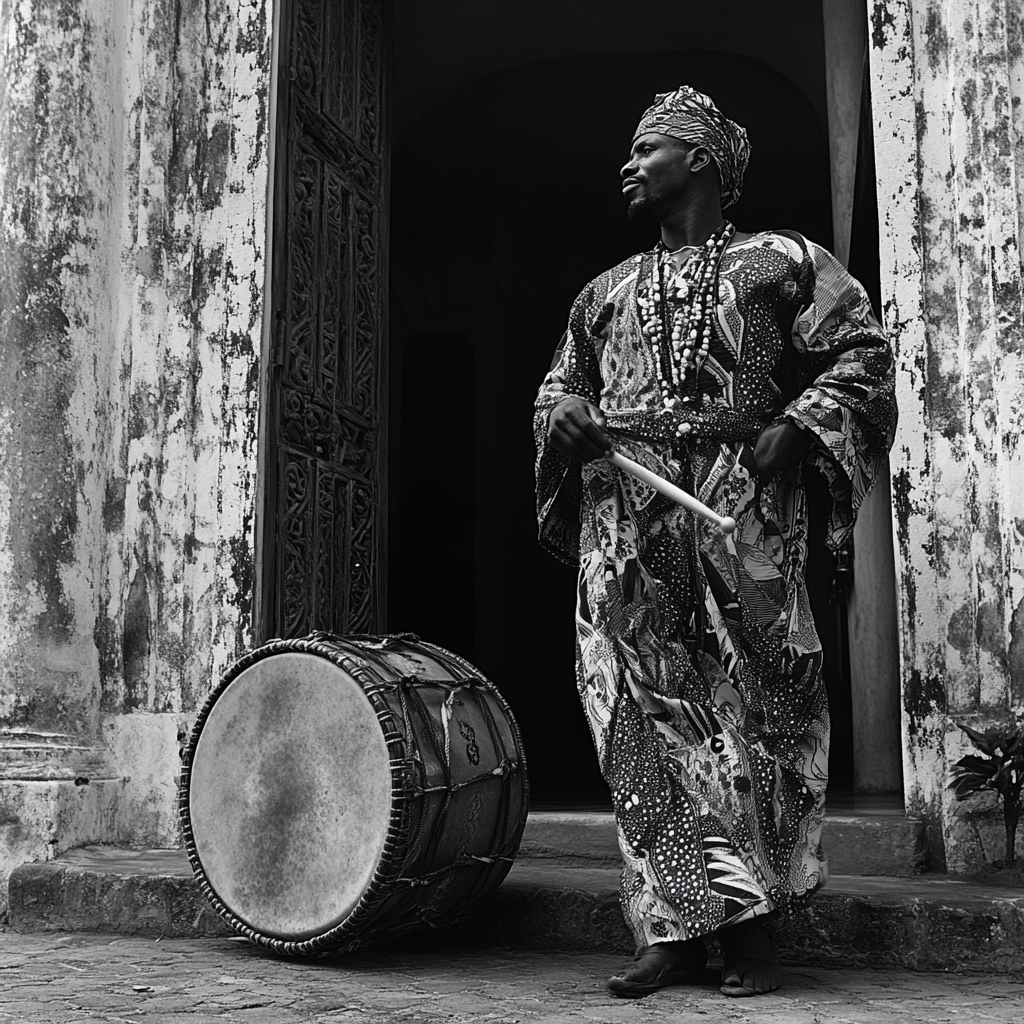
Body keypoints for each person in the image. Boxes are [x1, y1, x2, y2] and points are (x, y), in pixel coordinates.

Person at [533, 86, 896, 999]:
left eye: (647, 146)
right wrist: (566, 418)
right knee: (632, 714)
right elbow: (554, 391)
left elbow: (863, 353)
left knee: (756, 710)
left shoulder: (783, 261)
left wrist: (804, 424)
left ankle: (757, 928)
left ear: (700, 160)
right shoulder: (601, 293)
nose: (630, 162)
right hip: (625, 523)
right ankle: (673, 926)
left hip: (742, 521)